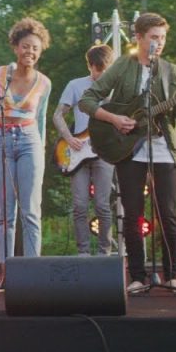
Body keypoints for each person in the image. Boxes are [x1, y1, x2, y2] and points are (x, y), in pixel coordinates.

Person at [80, 13, 176, 293]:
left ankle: (172, 275)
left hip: (165, 150)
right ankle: (137, 276)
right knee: (133, 213)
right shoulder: (124, 65)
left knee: (168, 213)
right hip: (129, 150)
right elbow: (88, 100)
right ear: (138, 37)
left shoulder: (174, 73)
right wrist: (113, 119)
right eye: (154, 38)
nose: (159, 43)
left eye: (163, 38)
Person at [0, 18, 52, 280]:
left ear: (40, 53)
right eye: (26, 46)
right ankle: (7, 273)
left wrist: (41, 149)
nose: (30, 52)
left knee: (30, 210)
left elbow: (40, 119)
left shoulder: (44, 82)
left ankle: (32, 274)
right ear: (16, 47)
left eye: (35, 49)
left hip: (29, 141)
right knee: (5, 212)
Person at [53, 44, 116, 257]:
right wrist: (69, 138)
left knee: (103, 205)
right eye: (96, 69)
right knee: (79, 205)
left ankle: (104, 253)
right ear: (89, 65)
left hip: (105, 151)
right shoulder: (75, 85)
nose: (99, 74)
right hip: (79, 151)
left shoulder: (117, 89)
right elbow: (58, 115)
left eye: (104, 69)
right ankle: (83, 253)